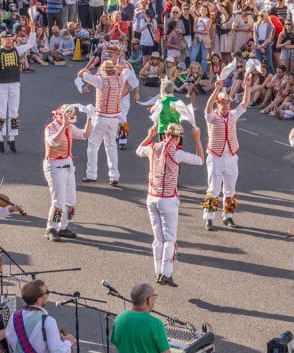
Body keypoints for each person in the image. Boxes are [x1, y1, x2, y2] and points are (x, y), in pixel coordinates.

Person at [134, 124, 204, 287]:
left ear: (165, 135)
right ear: (178, 138)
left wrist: (149, 135)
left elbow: (138, 150)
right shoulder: (176, 152)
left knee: (158, 238)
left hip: (151, 196)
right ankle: (166, 273)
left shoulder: (152, 147)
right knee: (169, 238)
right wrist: (197, 139)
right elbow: (200, 160)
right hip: (168, 199)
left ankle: (158, 271)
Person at [0, 28, 37, 153]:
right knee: (1, 114)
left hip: (15, 84)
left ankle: (12, 137)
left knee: (14, 113)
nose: (9, 41)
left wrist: (32, 31)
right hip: (2, 85)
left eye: (11, 39)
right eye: (7, 39)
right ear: (2, 40)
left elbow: (31, 44)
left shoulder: (17, 49)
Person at [80, 58, 134, 185]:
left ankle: (91, 174)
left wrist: (87, 68)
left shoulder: (100, 81)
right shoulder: (120, 79)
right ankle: (114, 176)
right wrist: (121, 66)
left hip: (101, 117)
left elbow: (82, 74)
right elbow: (127, 70)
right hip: (114, 118)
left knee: (93, 145)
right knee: (111, 147)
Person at [202, 85, 249, 231]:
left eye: (227, 103)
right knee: (214, 188)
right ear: (217, 103)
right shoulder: (212, 116)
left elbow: (245, 103)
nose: (225, 105)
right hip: (216, 156)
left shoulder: (233, 115)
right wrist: (216, 90)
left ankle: (228, 216)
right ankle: (209, 218)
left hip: (231, 157)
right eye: (222, 102)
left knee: (230, 189)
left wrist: (247, 86)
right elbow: (208, 107)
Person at [43, 104, 92, 241]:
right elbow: (54, 142)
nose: (69, 118)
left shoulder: (70, 127)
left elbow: (85, 135)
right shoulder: (50, 128)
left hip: (68, 164)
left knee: (71, 201)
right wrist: (63, 126)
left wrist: (90, 118)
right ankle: (50, 227)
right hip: (54, 166)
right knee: (58, 201)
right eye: (67, 115)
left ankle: (64, 226)